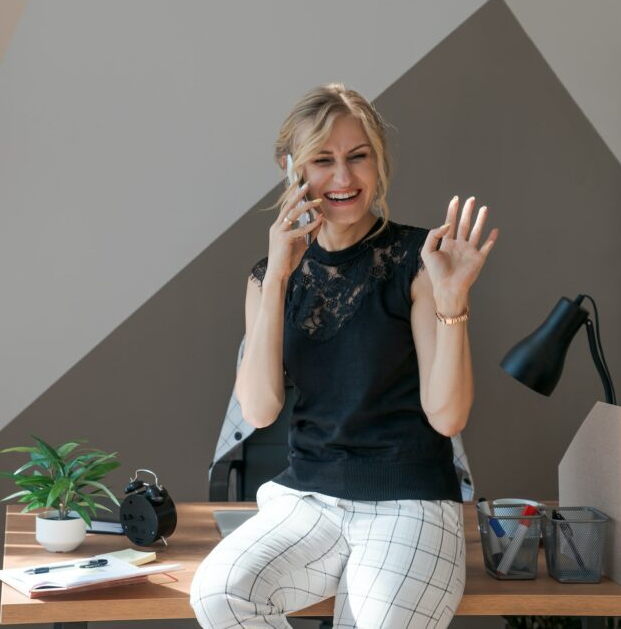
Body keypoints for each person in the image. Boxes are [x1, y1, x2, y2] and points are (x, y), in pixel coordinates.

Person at [188, 83, 498, 629]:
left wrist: (453, 302)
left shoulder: (421, 259)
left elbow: (447, 417)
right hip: (306, 501)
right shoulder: (267, 278)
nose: (344, 179)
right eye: (322, 161)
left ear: (379, 164)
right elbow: (259, 410)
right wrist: (280, 275)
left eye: (359, 158)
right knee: (219, 594)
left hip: (410, 504)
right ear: (291, 170)